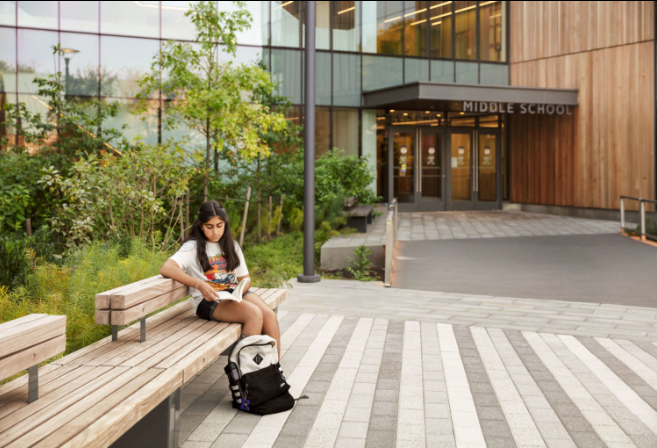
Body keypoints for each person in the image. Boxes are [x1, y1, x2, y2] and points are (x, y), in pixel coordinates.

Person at [160, 201, 281, 357]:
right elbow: (166, 268)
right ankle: (246, 372)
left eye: (219, 225)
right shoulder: (192, 247)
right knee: (254, 314)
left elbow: (246, 279)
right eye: (209, 227)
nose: (215, 232)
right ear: (200, 225)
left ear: (225, 224)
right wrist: (199, 284)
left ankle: (274, 369)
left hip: (232, 294)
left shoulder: (232, 245)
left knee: (269, 315)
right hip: (209, 300)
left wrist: (237, 292)